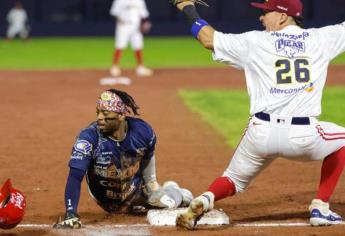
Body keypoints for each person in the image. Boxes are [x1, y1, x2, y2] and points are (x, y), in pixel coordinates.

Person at [171, 0, 345, 230]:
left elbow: (207, 38)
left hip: (260, 133)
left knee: (233, 178)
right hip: (304, 138)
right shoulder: (322, 39)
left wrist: (188, 8)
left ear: (283, 17)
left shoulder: (254, 41)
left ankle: (206, 198)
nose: (261, 17)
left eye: (266, 12)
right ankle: (320, 207)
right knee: (341, 139)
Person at [53, 89, 193, 229]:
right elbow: (75, 177)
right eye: (98, 113)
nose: (99, 118)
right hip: (106, 199)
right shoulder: (88, 138)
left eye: (105, 114)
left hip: (134, 191)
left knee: (166, 202)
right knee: (120, 209)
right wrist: (71, 213)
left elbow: (148, 162)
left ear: (121, 115)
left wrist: (152, 186)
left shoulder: (142, 131)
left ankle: (176, 190)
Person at [109, 0, 153, 77]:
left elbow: (144, 13)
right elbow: (114, 12)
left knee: (138, 46)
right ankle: (115, 67)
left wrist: (145, 23)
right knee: (119, 45)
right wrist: (120, 20)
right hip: (123, 25)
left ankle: (140, 68)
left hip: (136, 26)